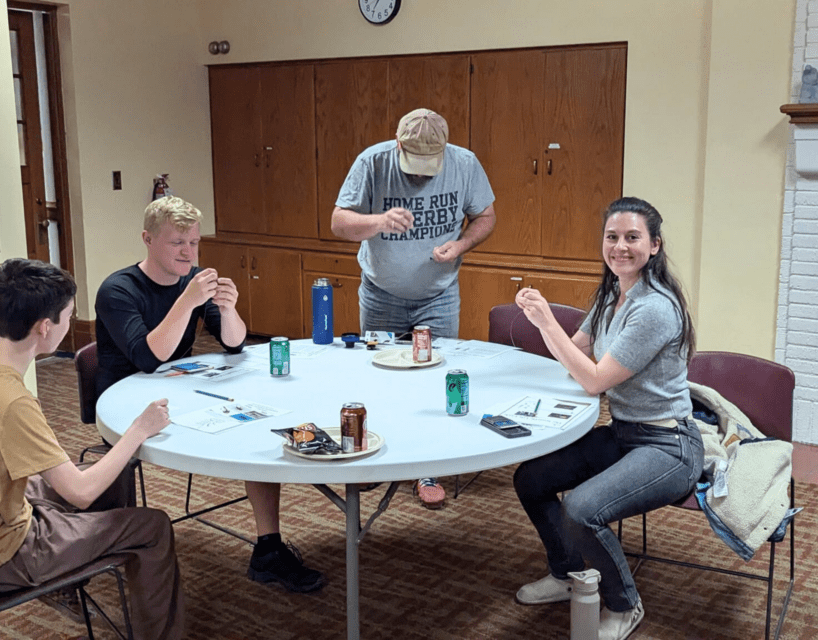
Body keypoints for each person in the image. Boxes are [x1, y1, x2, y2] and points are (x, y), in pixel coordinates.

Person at [0, 258, 183, 640]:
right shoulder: (12, 401)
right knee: (153, 526)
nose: (70, 324)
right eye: (68, 317)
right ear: (45, 327)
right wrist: (140, 429)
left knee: (109, 477)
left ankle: (78, 572)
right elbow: (80, 492)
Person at [95, 195, 326, 593]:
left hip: (181, 390)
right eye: (177, 243)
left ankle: (268, 548)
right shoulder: (118, 289)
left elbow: (235, 342)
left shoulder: (196, 279)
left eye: (194, 243)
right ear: (147, 240)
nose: (188, 253)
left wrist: (230, 308)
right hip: (126, 404)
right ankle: (106, 546)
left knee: (259, 426)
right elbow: (149, 357)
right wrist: (186, 302)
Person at [511, 197, 704, 640]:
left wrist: (544, 322)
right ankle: (566, 574)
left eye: (632, 238)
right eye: (612, 237)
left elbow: (594, 380)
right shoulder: (612, 291)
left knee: (581, 509)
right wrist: (543, 328)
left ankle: (624, 604)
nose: (620, 247)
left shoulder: (654, 307)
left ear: (654, 245)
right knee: (531, 479)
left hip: (668, 445)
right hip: (624, 433)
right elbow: (576, 352)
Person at [331, 108, 496, 509]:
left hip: (438, 294)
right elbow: (339, 223)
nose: (422, 175)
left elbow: (486, 216)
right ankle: (378, 461)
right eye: (415, 164)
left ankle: (428, 467)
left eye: (431, 165)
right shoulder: (373, 161)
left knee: (433, 377)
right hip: (381, 293)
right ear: (398, 144)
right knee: (381, 377)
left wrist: (459, 246)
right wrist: (378, 222)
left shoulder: (464, 163)